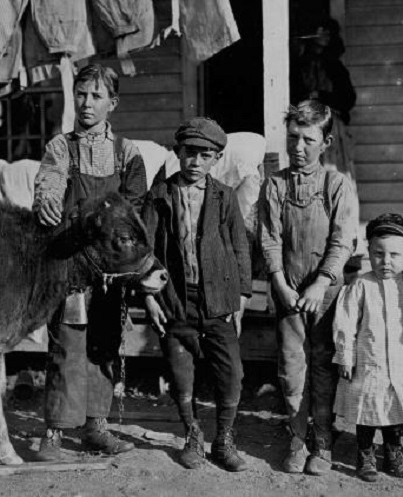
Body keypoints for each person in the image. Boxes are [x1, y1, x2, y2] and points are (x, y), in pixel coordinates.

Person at [31, 64, 147, 461]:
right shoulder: (61, 147)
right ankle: (55, 433)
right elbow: (49, 182)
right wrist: (46, 200)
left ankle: (96, 426)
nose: (86, 103)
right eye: (81, 94)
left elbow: (135, 209)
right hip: (72, 267)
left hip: (111, 269)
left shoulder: (127, 153)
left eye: (96, 96)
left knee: (104, 344)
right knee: (67, 344)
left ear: (111, 103)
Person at [142, 117, 251, 472]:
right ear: (178, 152)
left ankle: (224, 438)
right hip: (176, 298)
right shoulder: (159, 196)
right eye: (190, 153)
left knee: (231, 371)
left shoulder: (225, 196)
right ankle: (191, 434)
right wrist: (149, 296)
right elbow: (146, 249)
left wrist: (242, 297)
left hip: (218, 299)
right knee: (180, 372)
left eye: (206, 155)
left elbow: (239, 248)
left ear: (216, 158)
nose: (196, 162)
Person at [258, 100, 357, 476]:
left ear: (326, 141)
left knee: (323, 366)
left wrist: (321, 282)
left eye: (308, 140)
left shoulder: (337, 185)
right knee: (292, 367)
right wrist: (280, 283)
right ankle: (297, 438)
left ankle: (324, 442)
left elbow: (342, 240)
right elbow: (269, 239)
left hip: (326, 294)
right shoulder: (275, 184)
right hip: (288, 292)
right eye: (293, 138)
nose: (298, 148)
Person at [333, 213, 403, 482]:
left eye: (395, 255)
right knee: (366, 409)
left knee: (394, 409)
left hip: (400, 362)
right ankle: (365, 455)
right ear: (369, 253)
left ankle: (393, 453)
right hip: (367, 362)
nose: (386, 262)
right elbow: (345, 322)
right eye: (378, 254)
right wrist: (345, 355)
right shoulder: (361, 284)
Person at [290, 17, 356, 182]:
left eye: (328, 32)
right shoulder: (299, 65)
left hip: (331, 127)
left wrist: (321, 96)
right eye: (321, 31)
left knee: (334, 174)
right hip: (306, 126)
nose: (325, 36)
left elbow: (348, 99)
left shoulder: (335, 67)